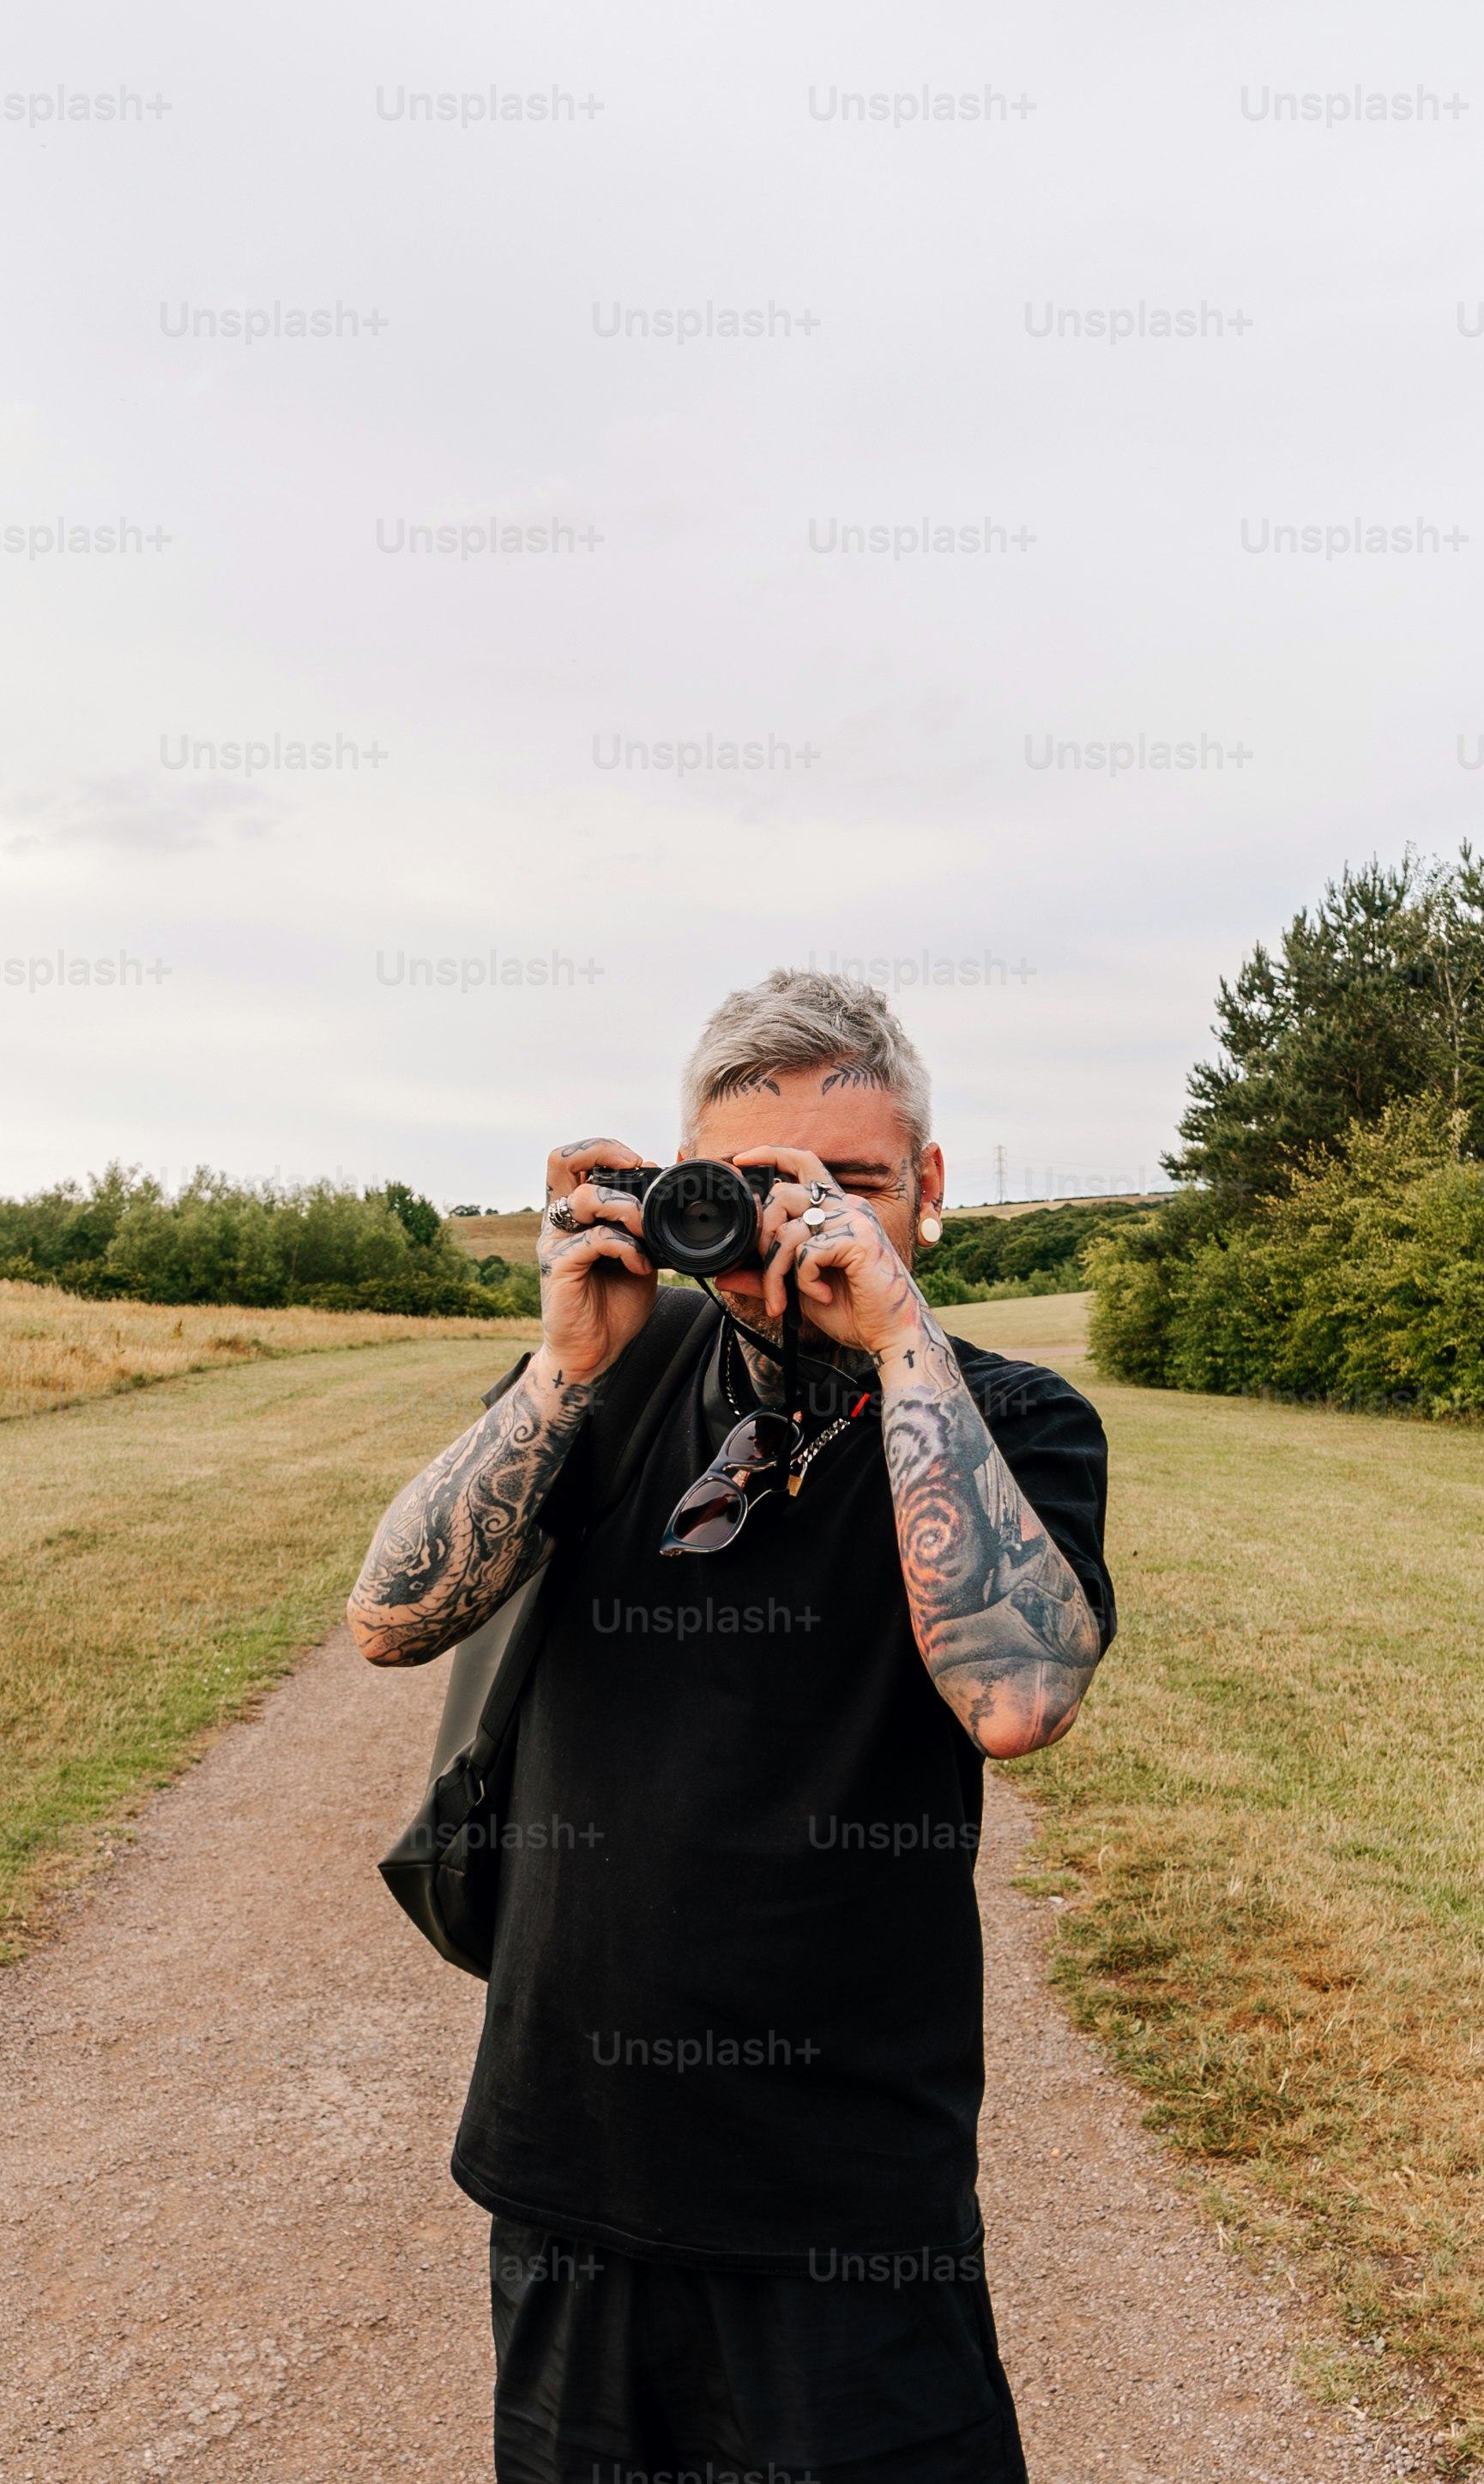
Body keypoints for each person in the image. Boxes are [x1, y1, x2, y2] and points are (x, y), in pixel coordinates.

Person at [347, 969, 1113, 2484]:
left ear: (932, 1188)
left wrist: (899, 1340)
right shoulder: (611, 1379)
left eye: (855, 1183)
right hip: (577, 2164)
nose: (806, 1221)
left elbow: (1018, 1697)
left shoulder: (1008, 1418)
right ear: (686, 1189)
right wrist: (563, 1362)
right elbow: (389, 1615)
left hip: (851, 2203)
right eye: (763, 1185)